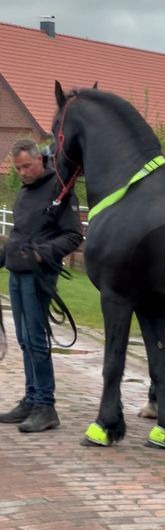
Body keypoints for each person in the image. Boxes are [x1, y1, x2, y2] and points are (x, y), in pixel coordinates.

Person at [0, 138, 83, 433]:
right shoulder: (24, 194)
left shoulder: (58, 190)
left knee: (36, 340)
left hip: (39, 275)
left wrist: (40, 254)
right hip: (16, 272)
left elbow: (74, 236)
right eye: (17, 168)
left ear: (39, 160)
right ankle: (31, 398)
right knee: (23, 338)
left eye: (26, 166)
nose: (22, 172)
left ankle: (46, 406)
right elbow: (19, 234)